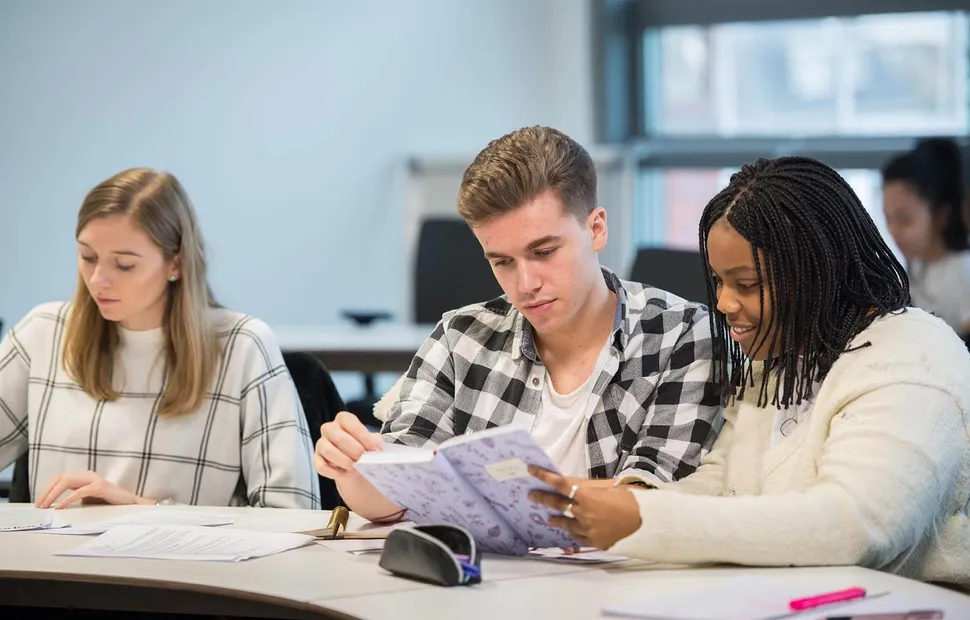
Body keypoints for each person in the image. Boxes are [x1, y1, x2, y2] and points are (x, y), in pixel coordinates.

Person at [529, 156, 970, 589]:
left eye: (747, 284)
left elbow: (854, 526)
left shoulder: (913, 355)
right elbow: (723, 482)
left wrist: (645, 520)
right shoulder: (782, 359)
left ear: (818, 270)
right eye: (719, 281)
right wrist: (626, 503)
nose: (722, 303)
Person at [315, 125, 722, 523]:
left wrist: (496, 493)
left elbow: (652, 503)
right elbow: (392, 497)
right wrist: (351, 468)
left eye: (544, 252)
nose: (526, 285)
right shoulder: (461, 338)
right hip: (478, 587)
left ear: (596, 228)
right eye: (502, 262)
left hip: (619, 586)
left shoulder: (681, 336)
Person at [0, 168, 320, 509]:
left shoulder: (243, 346)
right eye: (87, 257)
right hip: (48, 563)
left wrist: (142, 510)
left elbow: (293, 514)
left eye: (124, 265)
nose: (98, 280)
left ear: (176, 264)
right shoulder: (43, 332)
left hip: (185, 563)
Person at [883, 138, 970, 340]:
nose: (894, 231)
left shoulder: (963, 272)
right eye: (888, 218)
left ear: (941, 215)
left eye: (905, 220)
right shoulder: (914, 268)